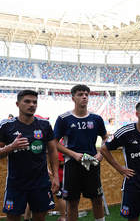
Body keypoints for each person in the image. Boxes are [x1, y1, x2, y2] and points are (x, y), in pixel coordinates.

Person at [0, 90, 59, 221]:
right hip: (16, 184)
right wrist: (11, 147)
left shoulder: (44, 125)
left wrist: (56, 175)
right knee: (13, 218)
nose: (32, 105)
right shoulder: (6, 125)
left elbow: (52, 151)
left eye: (34, 102)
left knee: (40, 217)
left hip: (40, 183)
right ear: (17, 104)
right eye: (27, 101)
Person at [54, 85, 107, 221]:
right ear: (73, 98)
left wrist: (101, 154)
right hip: (72, 164)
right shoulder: (63, 119)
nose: (84, 96)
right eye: (80, 94)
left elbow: (106, 138)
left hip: (92, 163)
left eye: (86, 94)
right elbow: (54, 143)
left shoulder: (96, 119)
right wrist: (73, 154)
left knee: (97, 199)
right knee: (72, 202)